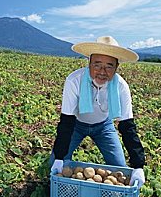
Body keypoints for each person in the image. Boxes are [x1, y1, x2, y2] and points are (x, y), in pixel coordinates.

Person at [50, 36, 146, 188]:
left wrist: (139, 165)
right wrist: (60, 156)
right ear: (89, 63)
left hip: (104, 126)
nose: (102, 71)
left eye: (109, 66)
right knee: (57, 165)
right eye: (97, 64)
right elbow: (67, 121)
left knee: (120, 168)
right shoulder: (74, 80)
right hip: (76, 125)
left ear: (116, 67)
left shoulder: (121, 86)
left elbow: (127, 126)